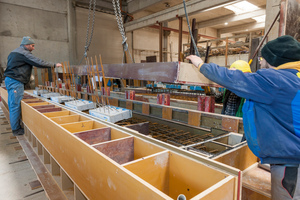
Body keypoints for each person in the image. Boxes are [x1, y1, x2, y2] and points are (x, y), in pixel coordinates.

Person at [187, 35, 300, 200]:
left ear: (273, 61)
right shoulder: (294, 78)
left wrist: (200, 64)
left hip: (290, 165)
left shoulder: (277, 80)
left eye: (262, 59)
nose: (260, 63)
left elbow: (232, 78)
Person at [4, 36, 62, 136]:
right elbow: (38, 62)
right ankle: (16, 130)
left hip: (10, 80)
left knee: (12, 104)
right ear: (26, 45)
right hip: (16, 82)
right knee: (15, 106)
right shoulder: (24, 53)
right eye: (32, 46)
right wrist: (54, 65)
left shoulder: (13, 52)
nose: (34, 48)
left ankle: (15, 126)